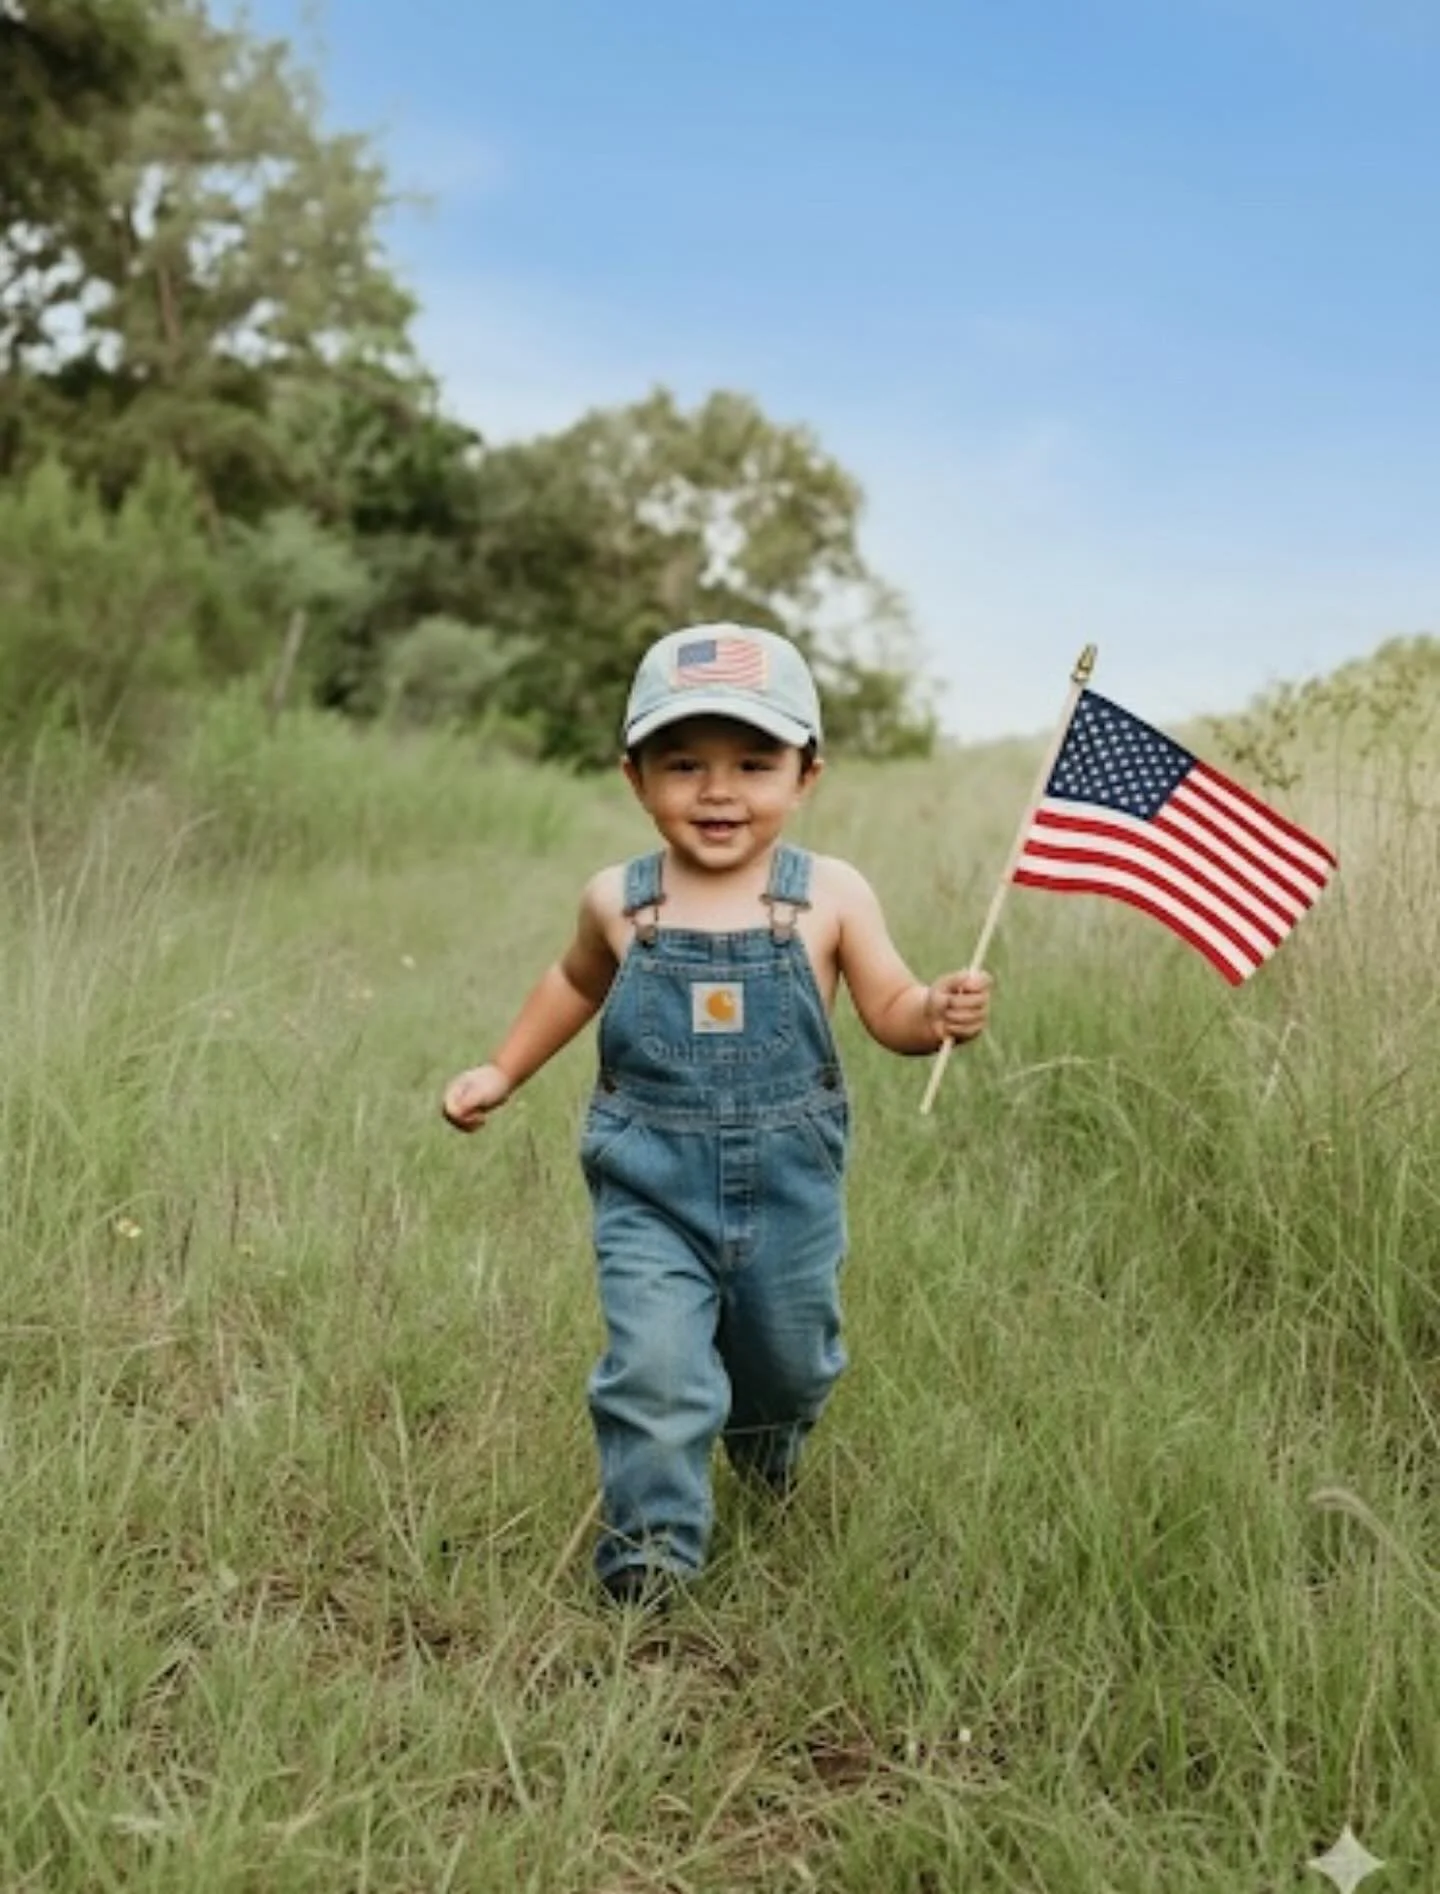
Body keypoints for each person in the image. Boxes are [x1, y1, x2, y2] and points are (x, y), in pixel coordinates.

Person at [442, 623, 991, 1607]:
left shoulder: (829, 895)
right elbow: (572, 985)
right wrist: (501, 1069)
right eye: (683, 762)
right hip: (649, 1181)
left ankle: (769, 1448)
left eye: (754, 760)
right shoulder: (621, 900)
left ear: (807, 772)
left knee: (786, 1367)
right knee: (655, 1369)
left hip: (790, 1190)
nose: (719, 789)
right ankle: (649, 1562)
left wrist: (935, 1012)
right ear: (635, 776)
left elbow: (890, 1008)